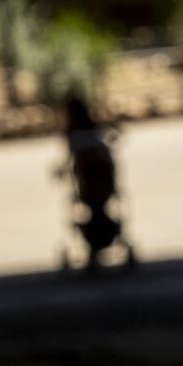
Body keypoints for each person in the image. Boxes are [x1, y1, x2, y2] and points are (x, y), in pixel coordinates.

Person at [59, 91, 134, 269]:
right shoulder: (95, 130)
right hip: (101, 183)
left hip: (90, 186)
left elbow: (69, 159)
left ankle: (94, 245)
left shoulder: (75, 134)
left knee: (88, 211)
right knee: (99, 209)